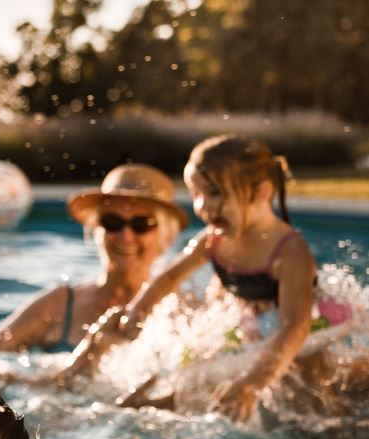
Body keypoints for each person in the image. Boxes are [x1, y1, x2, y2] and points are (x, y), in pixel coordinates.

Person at [64, 135, 321, 422]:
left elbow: (295, 326)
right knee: (197, 367)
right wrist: (139, 309)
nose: (204, 207)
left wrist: (253, 383)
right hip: (256, 320)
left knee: (311, 401)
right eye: (196, 194)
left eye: (216, 194)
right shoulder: (213, 240)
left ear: (261, 193)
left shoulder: (290, 252)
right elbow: (170, 276)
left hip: (310, 326)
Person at [0, 163, 187, 354]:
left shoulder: (183, 312)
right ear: (96, 229)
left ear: (165, 237)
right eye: (112, 222)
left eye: (142, 224)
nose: (126, 236)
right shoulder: (59, 304)